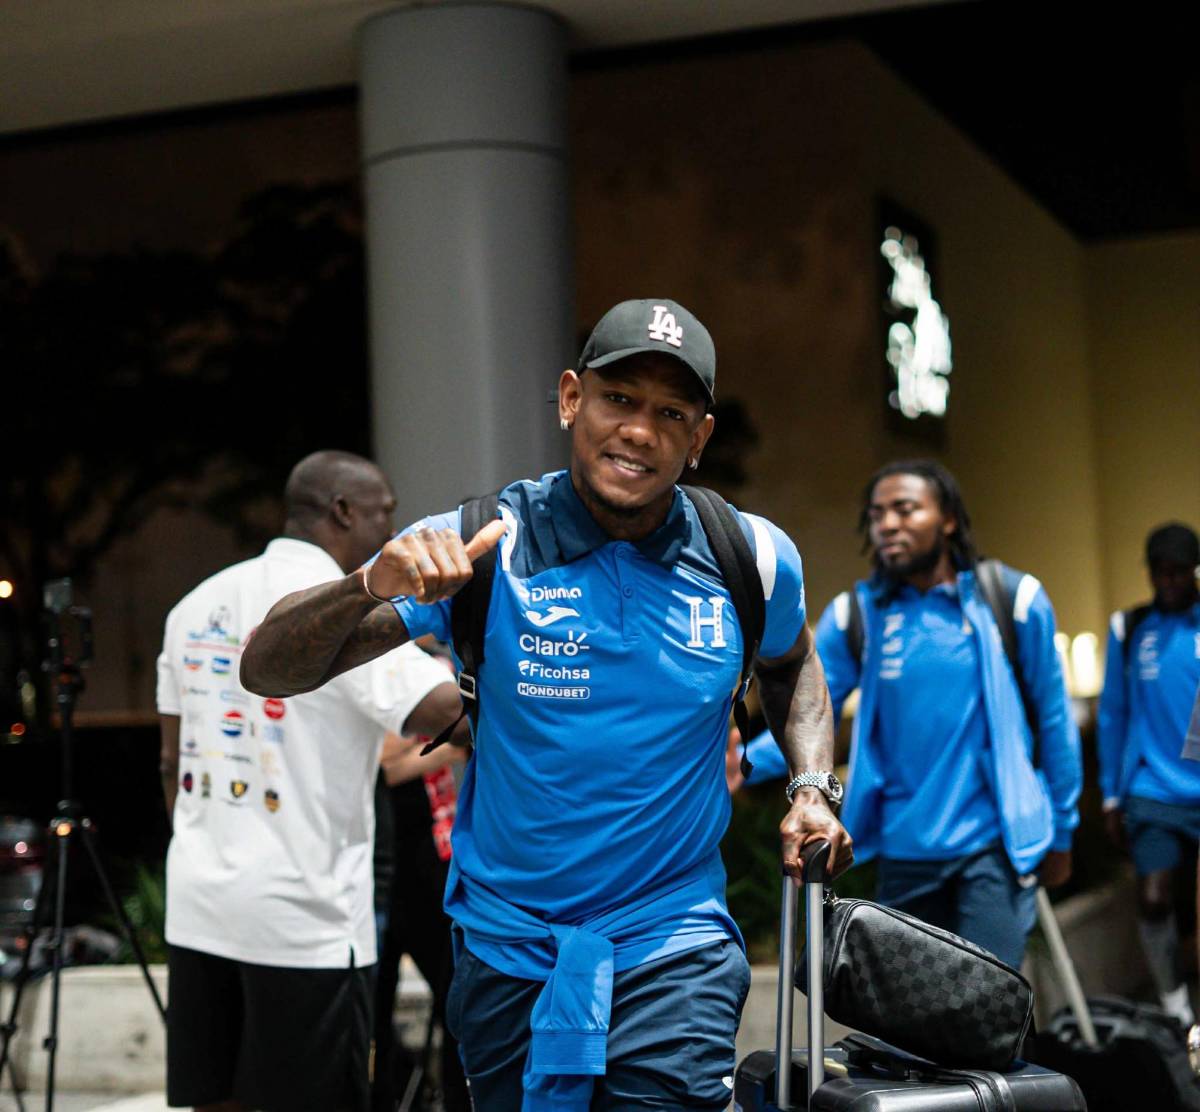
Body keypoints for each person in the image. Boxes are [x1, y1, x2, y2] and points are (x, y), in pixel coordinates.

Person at [241, 297, 852, 1111]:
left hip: (673, 937)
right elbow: (268, 668)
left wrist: (812, 787)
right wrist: (367, 584)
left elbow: (792, 664)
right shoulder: (482, 541)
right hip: (508, 945)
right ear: (572, 399)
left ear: (698, 439)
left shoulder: (750, 556)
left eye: (672, 413)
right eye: (619, 399)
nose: (639, 430)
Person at [157, 450, 463, 1112]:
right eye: (385, 511)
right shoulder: (339, 618)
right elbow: (450, 715)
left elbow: (170, 762)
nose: (393, 526)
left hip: (199, 901)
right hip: (306, 918)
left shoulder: (193, 605)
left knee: (215, 1099)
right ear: (343, 511)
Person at [746, 460, 1081, 969]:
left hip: (992, 848)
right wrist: (741, 761)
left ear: (947, 518)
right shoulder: (858, 616)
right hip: (904, 852)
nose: (888, 524)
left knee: (985, 1007)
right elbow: (807, 712)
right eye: (877, 514)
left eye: (905, 510)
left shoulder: (1011, 601)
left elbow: (1055, 722)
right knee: (911, 1021)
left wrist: (1061, 829)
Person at [1098, 522, 1200, 1026]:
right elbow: (1114, 713)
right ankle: (1177, 1008)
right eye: (1161, 572)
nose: (1170, 582)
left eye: (1179, 572)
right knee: (1154, 898)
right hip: (1151, 789)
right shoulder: (1131, 628)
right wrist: (1112, 798)